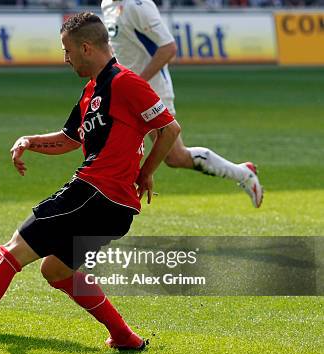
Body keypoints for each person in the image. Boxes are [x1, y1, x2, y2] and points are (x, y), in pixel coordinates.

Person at [0, 12, 181, 354]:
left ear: (87, 47)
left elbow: (170, 130)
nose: (65, 59)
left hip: (94, 193)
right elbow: (69, 139)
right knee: (56, 269)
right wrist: (30, 141)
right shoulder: (91, 91)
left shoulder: (125, 82)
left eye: (67, 51)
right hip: (116, 207)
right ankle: (124, 336)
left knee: (11, 251)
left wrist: (144, 172)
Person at [101, 0, 263, 207]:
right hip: (128, 92)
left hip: (151, 90)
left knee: (175, 156)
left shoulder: (138, 5)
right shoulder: (107, 3)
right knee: (116, 144)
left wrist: (137, 83)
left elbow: (168, 48)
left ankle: (243, 173)